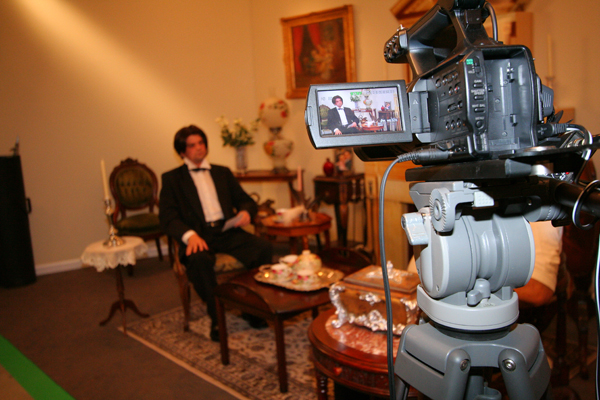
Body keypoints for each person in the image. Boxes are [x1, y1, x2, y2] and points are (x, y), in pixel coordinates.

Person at [159, 125, 273, 342]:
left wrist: (246, 212)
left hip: (227, 230)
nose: (199, 148)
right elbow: (167, 218)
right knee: (199, 261)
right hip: (198, 236)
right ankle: (216, 317)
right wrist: (189, 236)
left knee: (263, 248)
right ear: (182, 152)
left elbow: (246, 201)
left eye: (201, 143)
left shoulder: (222, 172)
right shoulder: (172, 179)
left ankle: (252, 309)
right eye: (192, 145)